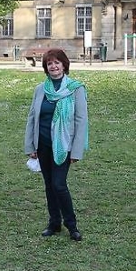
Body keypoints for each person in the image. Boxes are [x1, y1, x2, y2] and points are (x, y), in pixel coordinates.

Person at [24, 49, 88, 241]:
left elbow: (81, 120)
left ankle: (72, 225)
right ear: (46, 67)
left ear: (64, 65)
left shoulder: (76, 89)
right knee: (49, 185)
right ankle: (54, 223)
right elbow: (32, 118)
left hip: (64, 145)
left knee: (59, 185)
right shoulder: (40, 89)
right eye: (49, 63)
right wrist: (30, 146)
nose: (54, 66)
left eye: (57, 62)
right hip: (43, 144)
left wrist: (76, 151)